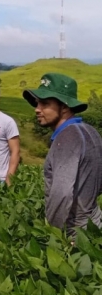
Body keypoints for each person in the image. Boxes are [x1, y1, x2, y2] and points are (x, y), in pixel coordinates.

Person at [23, 73, 102, 235]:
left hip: (75, 233)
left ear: (65, 106)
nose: (37, 109)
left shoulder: (66, 137)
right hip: (95, 223)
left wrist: (54, 235)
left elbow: (61, 194)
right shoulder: (90, 132)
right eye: (37, 103)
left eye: (45, 104)